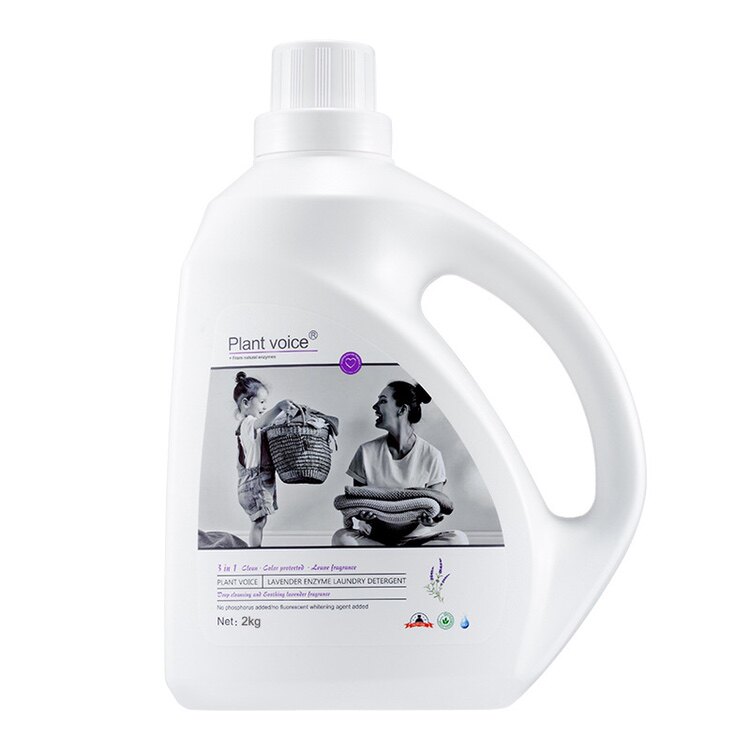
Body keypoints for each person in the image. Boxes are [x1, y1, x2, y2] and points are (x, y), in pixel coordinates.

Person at [332, 381, 468, 546]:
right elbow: (358, 501)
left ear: (402, 409)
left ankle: (393, 556)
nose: (375, 406)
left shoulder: (431, 455)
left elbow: (436, 507)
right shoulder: (366, 451)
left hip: (417, 540)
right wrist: (362, 514)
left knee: (458, 539)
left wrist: (430, 520)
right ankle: (400, 557)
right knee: (341, 537)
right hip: (375, 538)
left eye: (383, 401)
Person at [233, 372, 293, 547]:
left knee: (260, 521)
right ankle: (254, 551)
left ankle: (255, 549)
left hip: (257, 481)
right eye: (261, 402)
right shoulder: (248, 423)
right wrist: (278, 407)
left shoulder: (252, 426)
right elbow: (262, 422)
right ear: (246, 403)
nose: (264, 406)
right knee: (259, 522)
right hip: (255, 483)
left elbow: (265, 425)